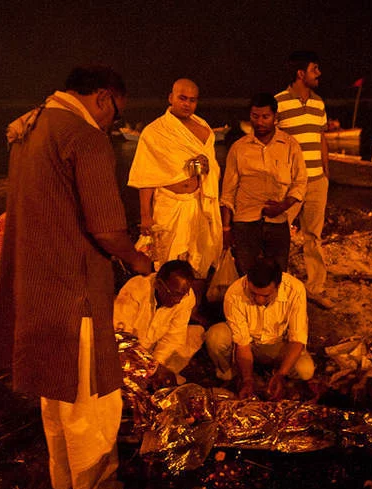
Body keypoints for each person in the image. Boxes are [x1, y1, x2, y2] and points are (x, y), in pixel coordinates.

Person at [0, 65, 152, 489]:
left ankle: (63, 480)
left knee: (55, 394)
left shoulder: (30, 127)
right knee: (91, 401)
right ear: (103, 97)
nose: (113, 123)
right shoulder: (84, 137)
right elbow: (107, 228)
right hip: (75, 288)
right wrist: (138, 259)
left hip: (36, 286)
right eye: (116, 113)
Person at [128, 78, 222, 281]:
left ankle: (192, 308)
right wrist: (145, 215)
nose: (187, 104)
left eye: (192, 100)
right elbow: (146, 176)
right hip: (168, 205)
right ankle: (164, 307)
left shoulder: (204, 129)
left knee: (197, 260)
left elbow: (212, 166)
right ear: (171, 98)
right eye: (182, 98)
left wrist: (207, 165)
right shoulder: (154, 132)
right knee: (165, 261)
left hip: (197, 203)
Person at [221, 93, 307, 275]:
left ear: (276, 118)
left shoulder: (290, 145)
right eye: (255, 116)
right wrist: (226, 229)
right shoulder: (239, 148)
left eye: (265, 117)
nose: (259, 122)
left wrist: (283, 206)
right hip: (245, 223)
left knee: (278, 276)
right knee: (246, 276)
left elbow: (300, 183)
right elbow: (228, 192)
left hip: (278, 221)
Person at [205, 257, 314, 400]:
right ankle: (235, 374)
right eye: (253, 293)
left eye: (265, 295)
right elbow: (242, 344)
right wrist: (248, 380)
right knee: (216, 336)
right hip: (249, 344)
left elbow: (297, 339)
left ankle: (275, 374)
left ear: (278, 286)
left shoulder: (295, 289)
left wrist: (281, 374)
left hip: (278, 344)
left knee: (305, 370)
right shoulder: (234, 293)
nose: (258, 300)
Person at [275, 51, 330, 301]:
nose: (318, 73)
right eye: (314, 69)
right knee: (279, 231)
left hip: (318, 181)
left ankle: (316, 286)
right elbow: (273, 142)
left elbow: (321, 139)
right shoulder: (278, 103)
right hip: (290, 182)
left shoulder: (319, 103)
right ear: (301, 74)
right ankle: (276, 283)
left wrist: (326, 173)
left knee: (314, 236)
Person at [113, 259, 203, 379]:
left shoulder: (186, 297)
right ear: (158, 284)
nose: (178, 300)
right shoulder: (136, 288)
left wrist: (154, 366)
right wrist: (141, 365)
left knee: (195, 334)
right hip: (126, 352)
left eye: (183, 294)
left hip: (153, 351)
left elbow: (173, 338)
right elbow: (121, 336)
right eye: (174, 294)